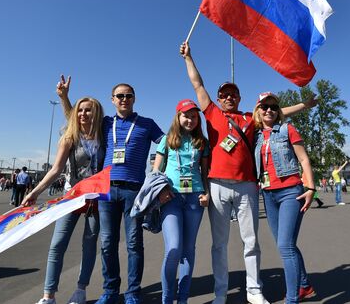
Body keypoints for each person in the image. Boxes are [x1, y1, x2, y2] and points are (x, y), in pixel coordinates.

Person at [179, 42, 314, 304]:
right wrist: (188, 58)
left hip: (247, 186)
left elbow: (276, 113)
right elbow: (198, 85)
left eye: (233, 94)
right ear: (219, 99)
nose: (229, 97)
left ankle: (254, 290)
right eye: (225, 95)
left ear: (239, 98)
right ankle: (220, 292)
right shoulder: (212, 114)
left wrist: (303, 105)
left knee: (251, 241)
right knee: (219, 244)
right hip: (217, 184)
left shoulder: (249, 118)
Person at [57, 76, 164, 304]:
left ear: (134, 99)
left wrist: (158, 175)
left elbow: (166, 144)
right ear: (112, 100)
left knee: (134, 243)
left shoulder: (147, 123)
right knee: (107, 243)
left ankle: (133, 292)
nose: (124, 99)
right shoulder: (105, 123)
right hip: (106, 191)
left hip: (134, 191)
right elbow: (76, 121)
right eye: (120, 96)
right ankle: (111, 291)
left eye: (128, 96)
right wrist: (65, 98)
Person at [23, 97, 105, 304]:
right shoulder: (70, 137)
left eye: (88, 110)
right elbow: (56, 169)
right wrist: (35, 192)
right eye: (80, 111)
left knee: (89, 245)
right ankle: (48, 296)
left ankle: (80, 290)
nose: (83, 114)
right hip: (72, 197)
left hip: (97, 199)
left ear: (96, 113)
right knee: (57, 245)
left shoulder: (105, 135)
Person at [253, 92, 317, 303]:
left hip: (291, 192)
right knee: (288, 244)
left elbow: (303, 159)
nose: (269, 110)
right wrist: (304, 105)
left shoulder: (287, 129)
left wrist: (310, 187)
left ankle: (292, 299)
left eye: (273, 106)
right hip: (268, 194)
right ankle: (305, 286)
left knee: (284, 246)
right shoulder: (256, 134)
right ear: (258, 110)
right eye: (264, 106)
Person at [151, 99, 210, 304]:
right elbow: (156, 171)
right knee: (174, 248)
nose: (190, 120)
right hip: (171, 197)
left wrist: (207, 192)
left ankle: (183, 298)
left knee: (188, 250)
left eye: (194, 116)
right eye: (186, 115)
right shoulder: (166, 140)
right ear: (178, 117)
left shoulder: (202, 142)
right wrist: (160, 191)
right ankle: (167, 299)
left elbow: (205, 172)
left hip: (195, 198)